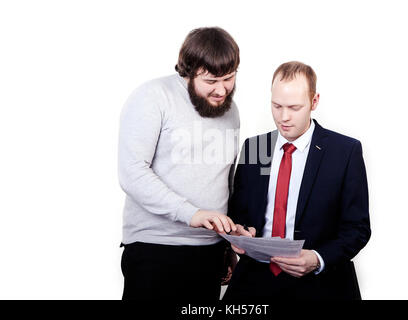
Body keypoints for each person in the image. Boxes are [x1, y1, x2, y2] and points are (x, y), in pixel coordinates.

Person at [223, 61, 371, 300]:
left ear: (314, 102)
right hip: (256, 280)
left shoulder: (344, 151)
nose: (284, 117)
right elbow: (238, 211)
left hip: (320, 285)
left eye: (294, 107)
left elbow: (357, 229)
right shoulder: (255, 147)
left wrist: (317, 258)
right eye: (277, 106)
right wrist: (240, 230)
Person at [118, 27, 241, 300]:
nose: (222, 90)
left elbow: (225, 180)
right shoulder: (152, 98)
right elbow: (132, 173)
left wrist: (226, 245)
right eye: (211, 80)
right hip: (155, 249)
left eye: (229, 78)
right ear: (188, 71)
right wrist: (191, 213)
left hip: (209, 253)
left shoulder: (231, 111)